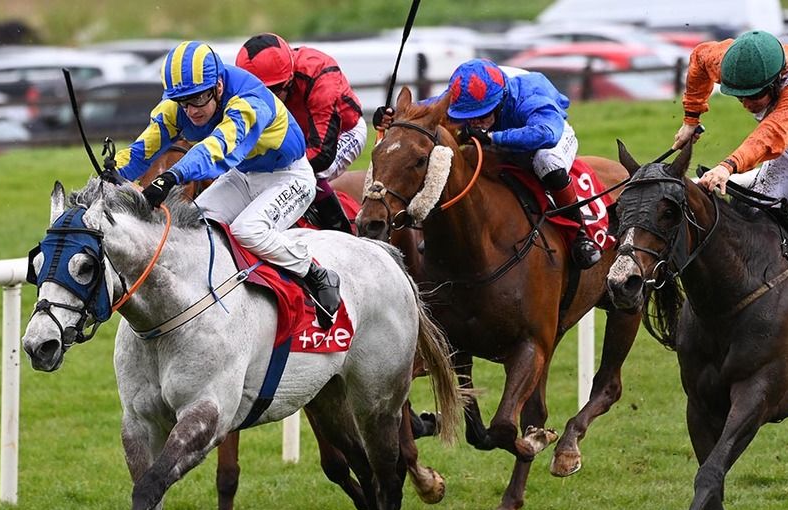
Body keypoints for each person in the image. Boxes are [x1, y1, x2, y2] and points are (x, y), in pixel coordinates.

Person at [108, 40, 342, 327]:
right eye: (183, 102)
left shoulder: (248, 102)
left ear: (218, 86)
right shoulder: (180, 105)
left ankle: (315, 274)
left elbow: (217, 148)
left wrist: (172, 177)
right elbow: (144, 147)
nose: (191, 110)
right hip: (243, 176)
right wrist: (111, 174)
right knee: (194, 224)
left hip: (290, 176)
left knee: (248, 230)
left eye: (198, 99)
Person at [373, 58, 601, 269]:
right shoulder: (463, 95)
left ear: (501, 99)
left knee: (547, 162)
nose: (475, 121)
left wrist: (492, 138)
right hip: (500, 135)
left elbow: (547, 133)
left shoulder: (531, 94)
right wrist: (391, 116)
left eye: (482, 113)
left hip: (547, 136)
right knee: (462, 158)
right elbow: (420, 111)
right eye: (468, 115)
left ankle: (579, 235)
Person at [673, 30, 788, 229]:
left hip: (784, 137)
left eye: (753, 96)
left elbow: (772, 135)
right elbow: (700, 57)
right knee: (756, 213)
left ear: (775, 82)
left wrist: (727, 166)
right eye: (739, 97)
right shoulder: (729, 63)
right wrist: (691, 119)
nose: (746, 104)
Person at [235, 33, 366, 234]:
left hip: (343, 133)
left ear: (289, 80)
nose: (267, 101)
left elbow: (322, 154)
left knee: (309, 174)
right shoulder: (242, 82)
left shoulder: (320, 73)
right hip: (295, 139)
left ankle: (345, 235)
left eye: (274, 92)